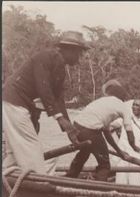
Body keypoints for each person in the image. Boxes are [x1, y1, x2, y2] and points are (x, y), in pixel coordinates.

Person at [2, 31, 89, 175]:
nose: (79, 58)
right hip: (14, 102)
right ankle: (38, 183)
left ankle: (7, 179)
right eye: (78, 53)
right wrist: (60, 119)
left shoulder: (60, 67)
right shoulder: (46, 57)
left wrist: (69, 128)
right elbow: (44, 89)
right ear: (69, 49)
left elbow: (58, 98)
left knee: (16, 150)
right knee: (31, 149)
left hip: (20, 106)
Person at [65, 80, 139, 181]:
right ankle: (101, 189)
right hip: (90, 131)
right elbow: (129, 132)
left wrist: (120, 152)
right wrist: (134, 147)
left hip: (76, 127)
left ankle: (69, 178)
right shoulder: (123, 107)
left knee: (84, 153)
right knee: (104, 164)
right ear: (123, 98)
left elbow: (107, 134)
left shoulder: (101, 101)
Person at [112, 98, 140, 185]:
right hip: (123, 156)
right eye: (133, 104)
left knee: (135, 183)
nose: (134, 107)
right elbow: (111, 125)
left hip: (137, 158)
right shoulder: (126, 118)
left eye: (137, 105)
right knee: (120, 183)